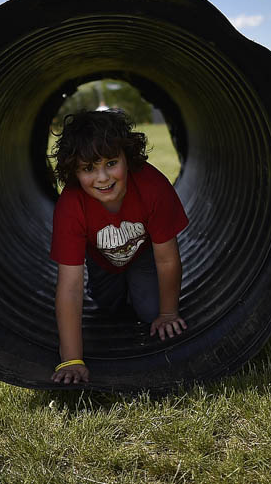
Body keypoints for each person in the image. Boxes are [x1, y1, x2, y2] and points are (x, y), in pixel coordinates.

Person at [49, 109, 189, 385]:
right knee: (106, 306)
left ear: (128, 157)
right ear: (74, 172)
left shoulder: (151, 186)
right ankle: (121, 290)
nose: (102, 177)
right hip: (102, 261)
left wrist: (168, 313)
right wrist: (72, 360)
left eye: (111, 162)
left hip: (143, 255)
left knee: (150, 313)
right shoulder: (70, 206)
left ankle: (138, 290)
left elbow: (167, 259)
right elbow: (70, 286)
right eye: (89, 168)